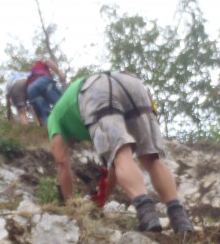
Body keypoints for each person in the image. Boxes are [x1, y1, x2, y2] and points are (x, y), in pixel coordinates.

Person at [47, 70, 194, 233]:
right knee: (151, 158)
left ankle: (147, 213)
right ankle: (180, 219)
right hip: (131, 83)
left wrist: (70, 205)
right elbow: (113, 169)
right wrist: (100, 202)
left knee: (121, 155)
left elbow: (61, 162)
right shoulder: (75, 116)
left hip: (96, 90)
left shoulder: (54, 119)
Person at [25, 57, 66, 124]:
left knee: (46, 114)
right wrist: (59, 72)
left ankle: (50, 131)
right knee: (61, 103)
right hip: (42, 81)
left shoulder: (32, 74)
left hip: (30, 89)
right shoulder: (40, 61)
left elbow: (32, 106)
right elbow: (47, 61)